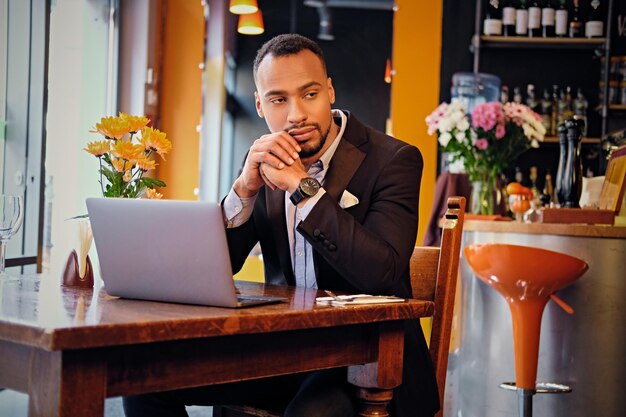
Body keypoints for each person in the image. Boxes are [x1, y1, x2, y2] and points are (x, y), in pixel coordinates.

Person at [124, 33, 437, 417]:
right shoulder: (261, 159)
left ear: (330, 91)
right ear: (259, 104)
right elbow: (216, 269)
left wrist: (301, 186)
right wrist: (244, 190)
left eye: (309, 94)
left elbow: (382, 274)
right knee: (142, 381)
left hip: (367, 358)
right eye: (278, 99)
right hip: (283, 352)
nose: (296, 115)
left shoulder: (394, 160)